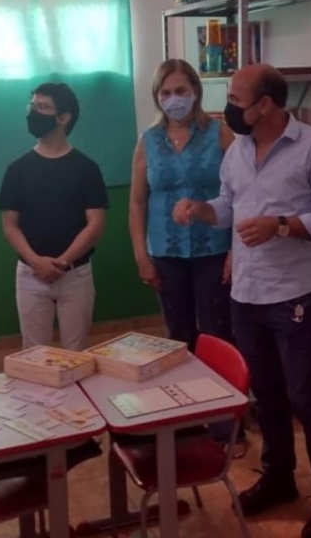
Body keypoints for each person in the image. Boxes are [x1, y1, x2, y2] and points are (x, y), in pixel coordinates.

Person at [174, 64, 311, 538]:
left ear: (266, 104)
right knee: (267, 396)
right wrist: (202, 210)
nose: (227, 107)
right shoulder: (237, 154)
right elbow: (229, 207)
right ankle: (279, 478)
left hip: (293, 294)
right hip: (246, 293)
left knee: (306, 398)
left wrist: (283, 224)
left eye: (236, 99)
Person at [128, 58, 245, 455]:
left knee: (217, 334)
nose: (173, 99)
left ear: (195, 90)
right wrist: (141, 255)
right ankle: (183, 419)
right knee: (177, 337)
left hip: (214, 249)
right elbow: (137, 201)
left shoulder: (221, 135)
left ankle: (226, 425)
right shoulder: (148, 140)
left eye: (180, 90)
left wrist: (235, 251)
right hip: (167, 252)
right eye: (165, 93)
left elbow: (243, 195)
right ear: (156, 98)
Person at [0, 82, 108, 351]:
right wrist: (37, 263)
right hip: (30, 274)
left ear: (64, 117)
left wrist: (62, 262)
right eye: (32, 106)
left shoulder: (87, 168)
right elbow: (10, 226)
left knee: (76, 352)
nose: (34, 112)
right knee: (34, 354)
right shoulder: (17, 169)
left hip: (75, 274)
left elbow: (95, 223)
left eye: (43, 107)